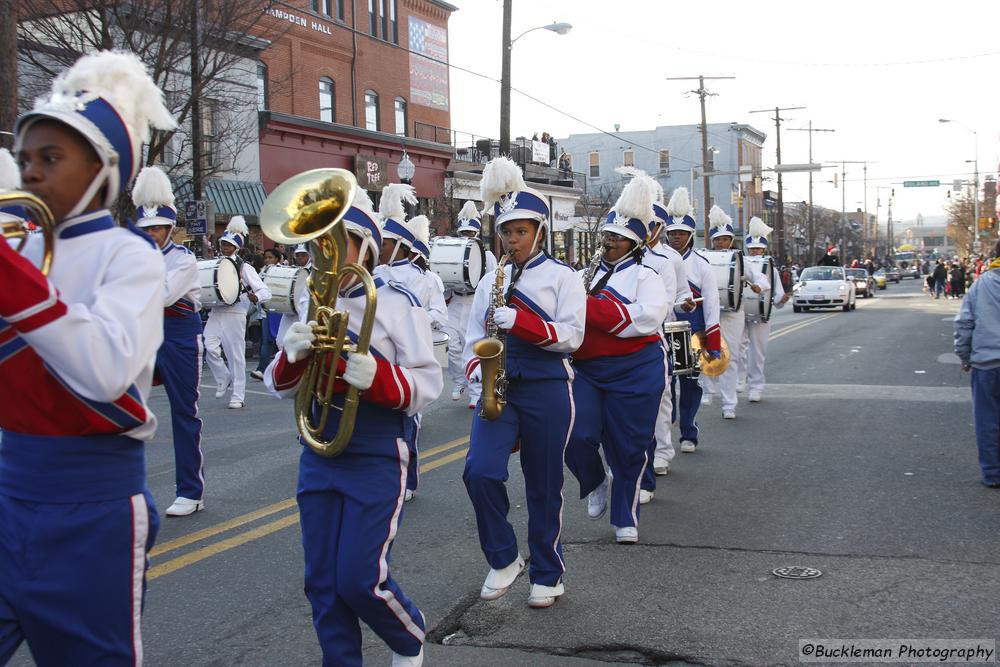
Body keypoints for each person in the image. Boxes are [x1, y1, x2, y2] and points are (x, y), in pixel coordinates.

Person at [0, 49, 174, 665]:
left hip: (91, 509)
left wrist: (9, 276)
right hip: (7, 489)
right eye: (25, 160)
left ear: (104, 169)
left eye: (51, 158)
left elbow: (103, 373)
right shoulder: (16, 247)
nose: (32, 174)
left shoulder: (130, 256)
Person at [265, 183, 440, 667]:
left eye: (335, 241)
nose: (323, 252)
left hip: (377, 447)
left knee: (361, 579)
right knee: (321, 581)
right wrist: (292, 356)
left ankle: (409, 638)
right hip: (319, 448)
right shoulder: (310, 300)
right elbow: (278, 386)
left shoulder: (398, 302)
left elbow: (429, 381)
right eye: (318, 242)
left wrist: (378, 375)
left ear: (364, 248)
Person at [462, 156, 585, 609]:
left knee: (543, 485)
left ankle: (548, 572)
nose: (513, 240)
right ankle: (503, 557)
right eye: (507, 232)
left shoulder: (564, 278)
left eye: (521, 231)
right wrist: (479, 374)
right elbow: (474, 338)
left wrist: (525, 323)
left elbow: (573, 336)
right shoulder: (490, 280)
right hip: (502, 388)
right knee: (479, 471)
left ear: (539, 232)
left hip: (548, 386)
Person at [565, 170, 670, 544]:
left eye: (619, 239)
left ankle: (626, 514)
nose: (609, 242)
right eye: (608, 236)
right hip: (588, 370)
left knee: (629, 446)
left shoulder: (648, 276)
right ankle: (595, 481)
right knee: (575, 435)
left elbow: (642, 321)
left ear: (635, 245)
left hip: (635, 370)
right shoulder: (581, 276)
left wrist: (590, 307)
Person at [132, 166, 207, 517]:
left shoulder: (184, 259)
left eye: (158, 228)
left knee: (183, 412)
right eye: (146, 229)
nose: (152, 234)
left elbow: (161, 295)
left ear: (169, 228)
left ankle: (191, 491)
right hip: (144, 333)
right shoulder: (132, 258)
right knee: (123, 409)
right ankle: (124, 490)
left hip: (178, 336)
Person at [638, 175, 691, 497]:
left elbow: (676, 298)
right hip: (625, 336)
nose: (648, 229)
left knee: (662, 396)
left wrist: (682, 304)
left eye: (652, 224)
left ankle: (662, 451)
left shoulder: (670, 259)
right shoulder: (622, 255)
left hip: (659, 335)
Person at [663, 187, 721, 453]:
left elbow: (711, 305)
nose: (676, 238)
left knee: (689, 385)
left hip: (690, 333)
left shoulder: (702, 265)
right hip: (662, 333)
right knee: (663, 387)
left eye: (681, 234)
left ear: (690, 236)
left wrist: (713, 339)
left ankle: (688, 431)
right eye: (672, 233)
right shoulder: (660, 260)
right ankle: (665, 428)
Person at [701, 206, 766, 420]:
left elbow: (760, 278)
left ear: (731, 240)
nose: (720, 243)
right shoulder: (703, 258)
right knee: (706, 351)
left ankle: (729, 403)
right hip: (709, 310)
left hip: (733, 312)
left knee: (731, 356)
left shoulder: (741, 260)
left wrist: (758, 286)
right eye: (717, 239)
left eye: (724, 239)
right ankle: (708, 390)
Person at [203, 216, 272, 409]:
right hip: (216, 312)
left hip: (236, 313)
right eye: (223, 244)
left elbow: (265, 291)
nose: (224, 248)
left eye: (228, 245)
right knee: (209, 345)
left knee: (236, 355)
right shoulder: (216, 264)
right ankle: (223, 376)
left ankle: (238, 395)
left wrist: (256, 298)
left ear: (237, 247)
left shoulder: (244, 267)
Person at [953, 241, 1000, 489]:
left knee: (987, 419)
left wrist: (964, 355)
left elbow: (964, 322)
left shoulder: (982, 285)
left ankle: (993, 473)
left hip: (987, 363)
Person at [445, 201, 498, 407]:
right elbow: (446, 285)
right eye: (463, 233)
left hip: (475, 302)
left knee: (476, 346)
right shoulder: (452, 252)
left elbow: (491, 284)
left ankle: (477, 392)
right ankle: (460, 381)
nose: (466, 237)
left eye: (470, 233)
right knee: (452, 345)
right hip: (456, 302)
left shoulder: (488, 256)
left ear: (476, 234)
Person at [737, 217, 789, 403]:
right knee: (738, 348)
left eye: (758, 249)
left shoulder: (771, 269)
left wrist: (781, 300)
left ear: (764, 250)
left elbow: (776, 298)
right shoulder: (740, 265)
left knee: (758, 351)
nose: (755, 252)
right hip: (740, 311)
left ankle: (756, 386)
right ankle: (740, 378)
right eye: (752, 249)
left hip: (761, 314)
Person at [250, 247, 284, 381]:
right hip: (266, 311)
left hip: (281, 311)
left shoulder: (283, 271)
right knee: (266, 341)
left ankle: (282, 369)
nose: (268, 260)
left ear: (277, 259)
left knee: (280, 342)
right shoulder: (261, 273)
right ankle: (261, 370)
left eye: (271, 257)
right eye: (266, 258)